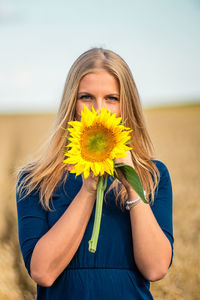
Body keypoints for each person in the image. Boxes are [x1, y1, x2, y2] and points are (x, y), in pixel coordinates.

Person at [16, 48, 173, 300]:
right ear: (71, 104)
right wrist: (89, 186)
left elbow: (155, 267)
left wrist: (132, 182)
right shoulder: (36, 180)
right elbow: (42, 271)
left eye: (111, 98)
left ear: (126, 105)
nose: (98, 110)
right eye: (86, 97)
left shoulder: (153, 176)